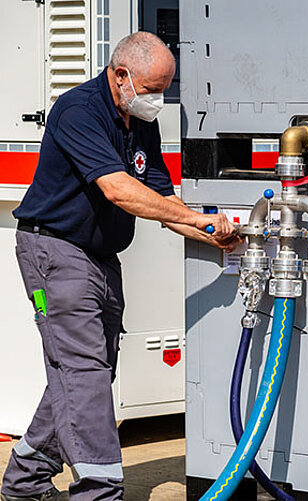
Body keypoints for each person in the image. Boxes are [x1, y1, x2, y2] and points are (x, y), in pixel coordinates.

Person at [1, 32, 239, 501]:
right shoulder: (77, 111)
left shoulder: (139, 119)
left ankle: (26, 475)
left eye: (165, 89)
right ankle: (99, 489)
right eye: (152, 88)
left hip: (100, 256)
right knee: (84, 371)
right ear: (120, 74)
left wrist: (218, 236)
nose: (159, 99)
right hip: (54, 252)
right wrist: (196, 219)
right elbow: (119, 190)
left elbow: (164, 199)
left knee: (91, 368)